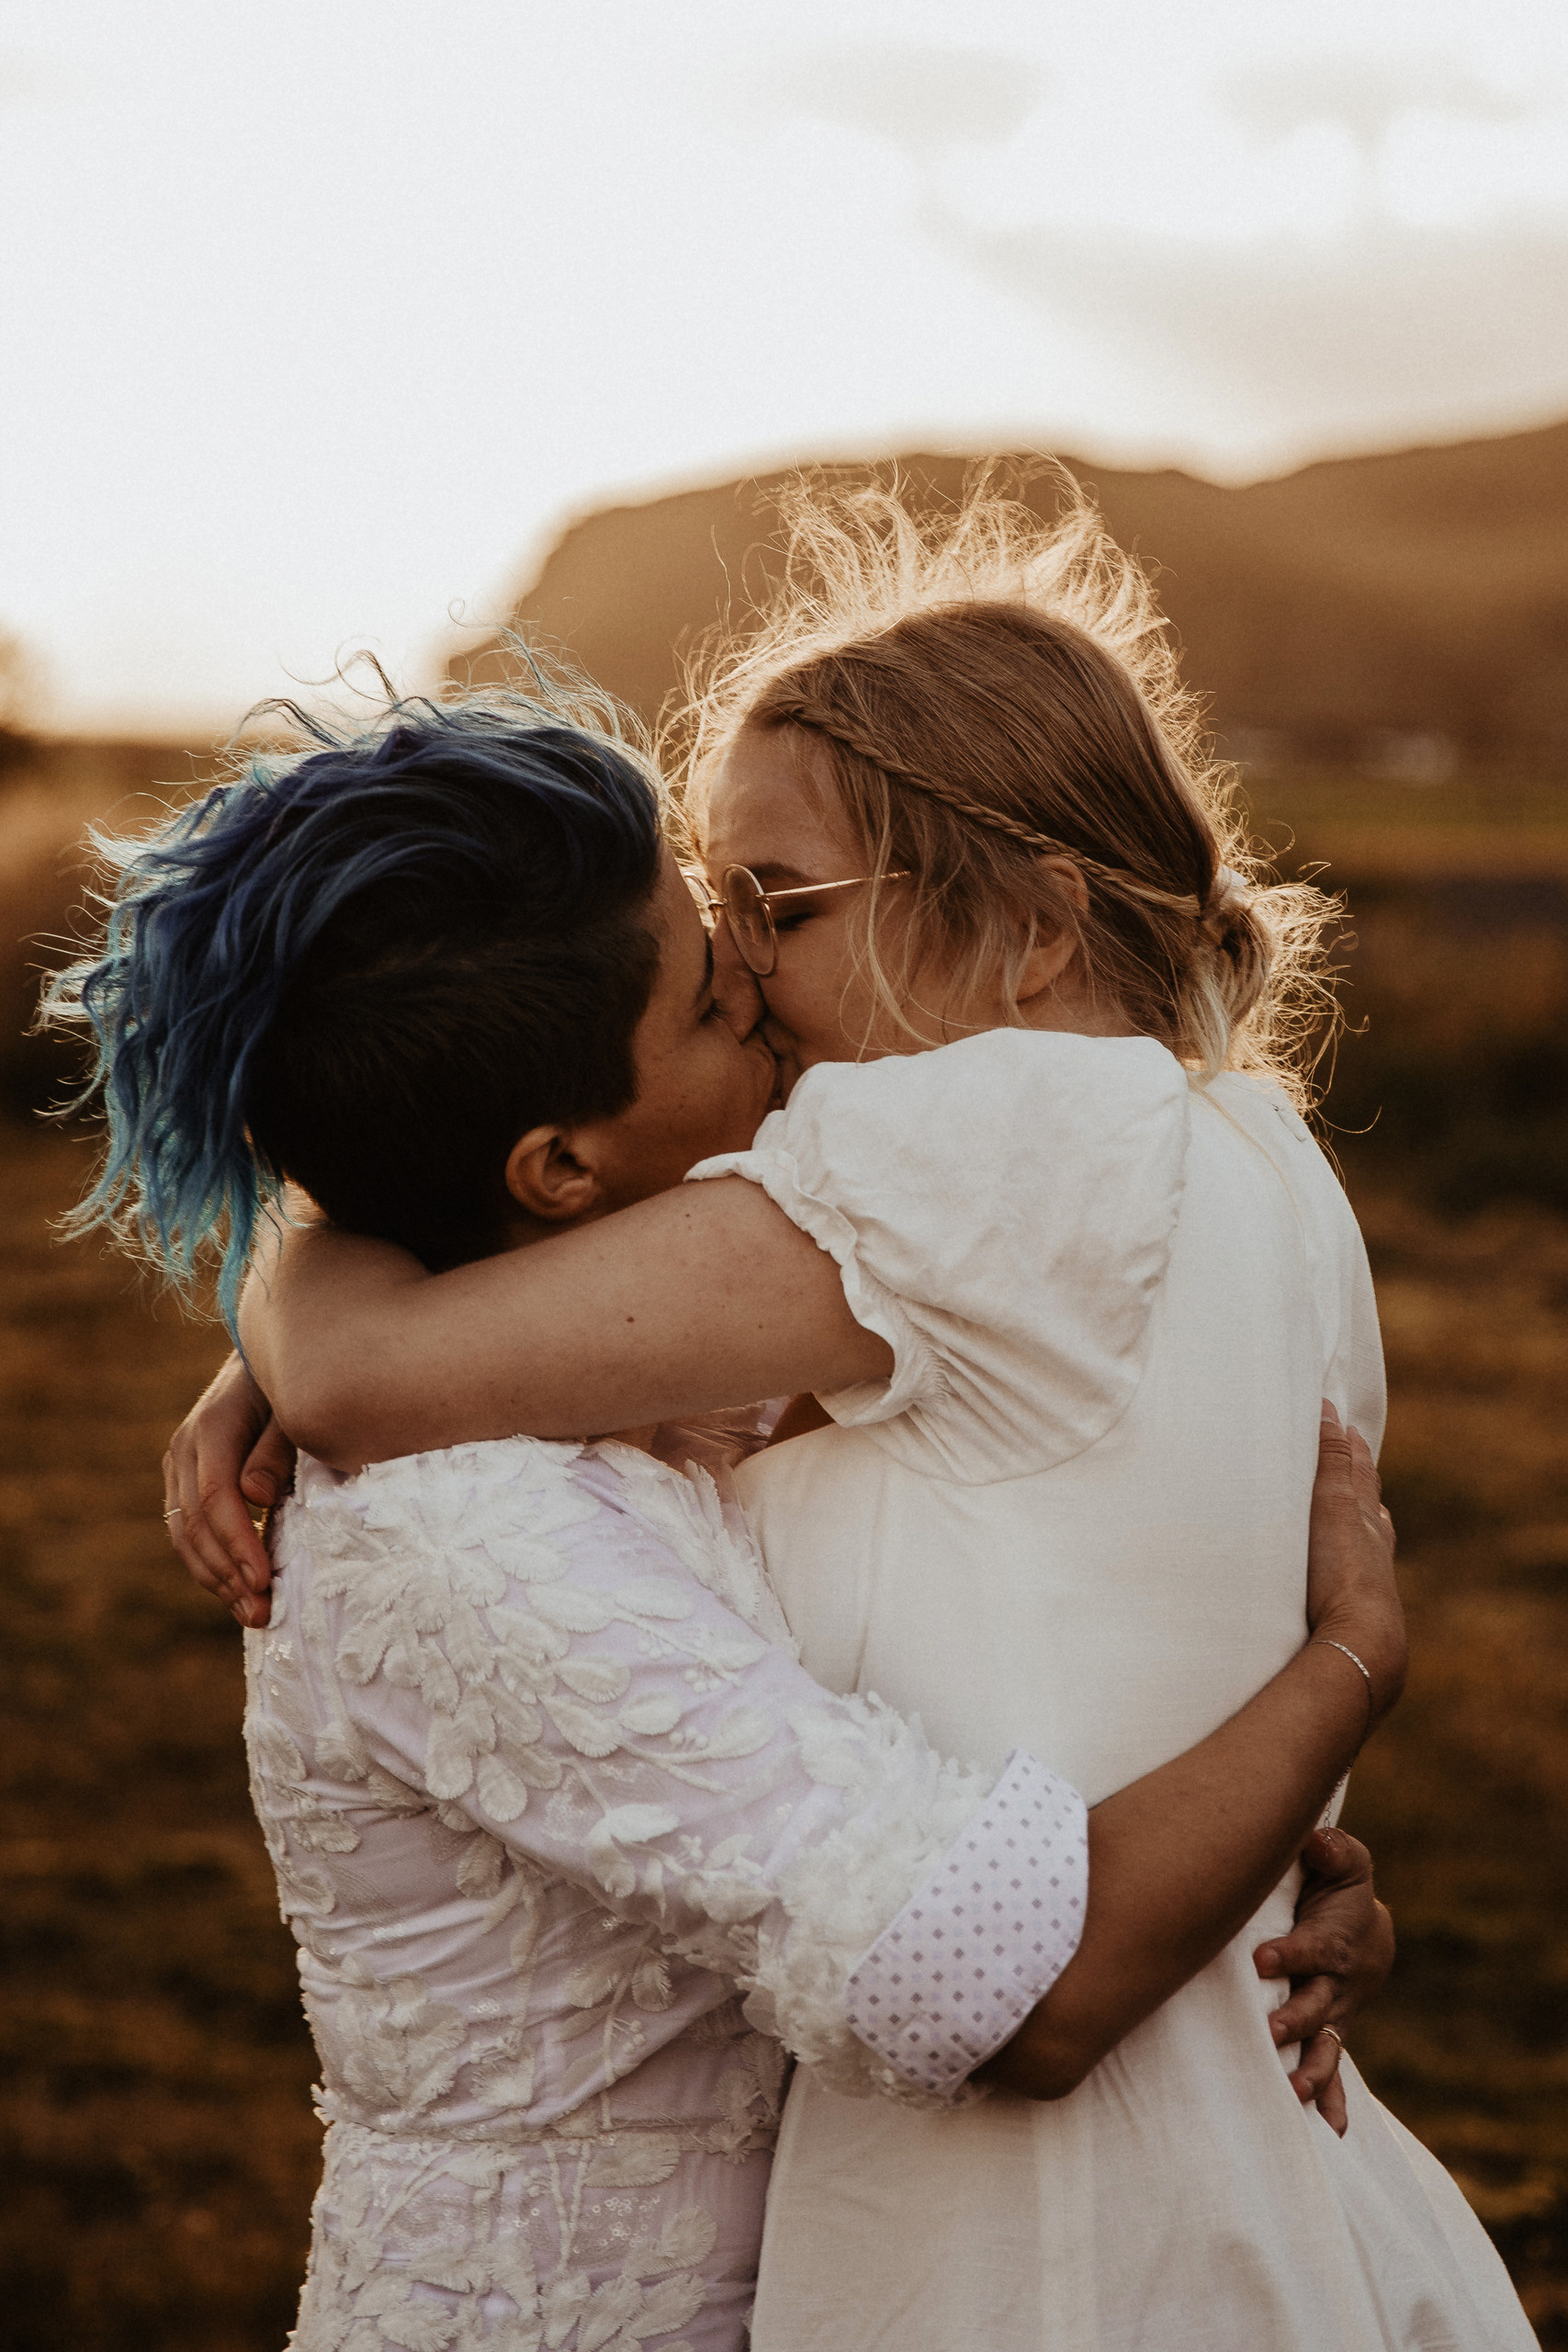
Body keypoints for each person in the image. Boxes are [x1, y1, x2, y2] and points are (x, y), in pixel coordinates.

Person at [159, 477, 1534, 2347]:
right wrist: (1299, 1776)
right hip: (1237, 2178)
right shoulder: (1253, 1163)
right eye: (718, 932)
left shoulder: (978, 1147)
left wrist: (294, 1297)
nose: (749, 980)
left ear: (1034, 927)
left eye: (777, 914)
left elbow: (372, 1371)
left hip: (1020, 2235)